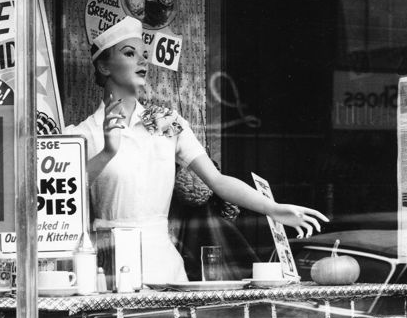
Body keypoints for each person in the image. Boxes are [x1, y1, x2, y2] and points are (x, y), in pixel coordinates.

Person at [69, 16, 327, 286]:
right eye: (130, 53)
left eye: (144, 54)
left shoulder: (168, 124)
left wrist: (271, 208)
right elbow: (66, 197)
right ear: (103, 66)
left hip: (163, 265)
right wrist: (107, 152)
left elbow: (217, 181)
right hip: (108, 265)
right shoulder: (83, 134)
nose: (143, 61)